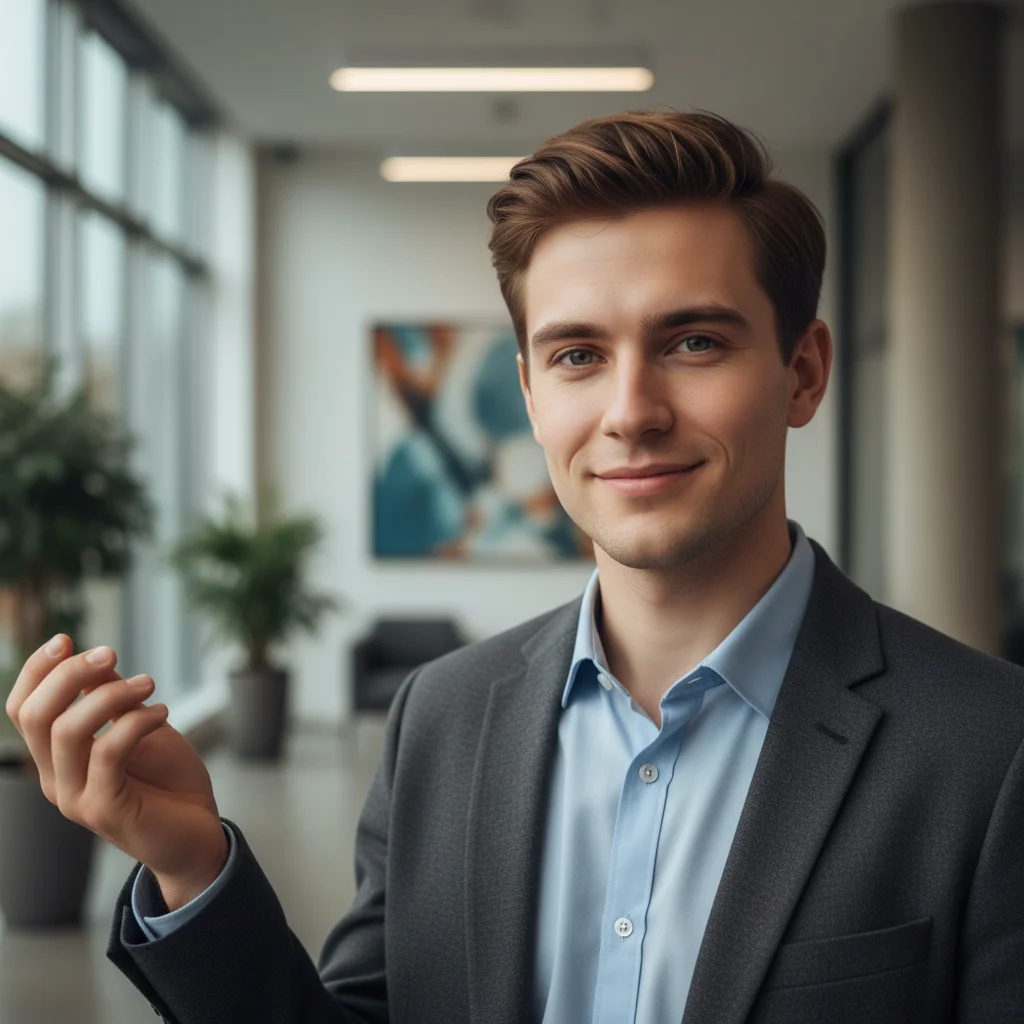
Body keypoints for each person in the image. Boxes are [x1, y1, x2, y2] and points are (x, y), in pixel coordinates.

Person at [6, 110, 1024, 1024]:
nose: (631, 410)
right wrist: (193, 866)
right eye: (578, 355)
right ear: (532, 397)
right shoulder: (441, 718)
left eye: (694, 340)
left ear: (801, 372)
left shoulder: (987, 750)